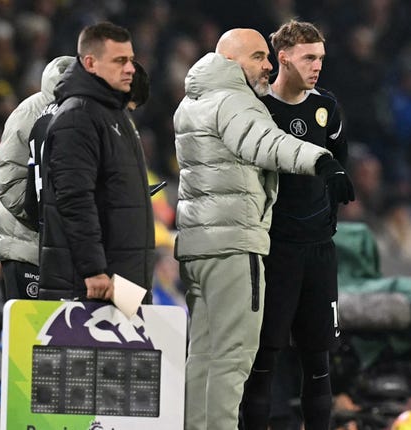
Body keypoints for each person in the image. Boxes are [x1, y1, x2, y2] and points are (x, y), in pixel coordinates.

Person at [174, 27, 354, 430]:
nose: (267, 64)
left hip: (209, 241)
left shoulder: (193, 102)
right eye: (259, 57)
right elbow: (268, 143)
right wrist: (321, 162)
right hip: (249, 245)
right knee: (240, 357)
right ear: (230, 61)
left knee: (206, 354)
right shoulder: (240, 103)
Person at [239, 20, 351, 430]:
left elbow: (338, 165)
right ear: (283, 58)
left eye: (320, 58)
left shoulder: (327, 107)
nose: (317, 66)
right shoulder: (258, 109)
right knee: (264, 360)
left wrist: (326, 221)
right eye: (308, 58)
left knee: (318, 362)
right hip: (276, 250)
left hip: (318, 250)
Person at [38, 22, 155, 302]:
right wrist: (93, 270)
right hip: (93, 284)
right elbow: (75, 199)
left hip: (120, 281)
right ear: (90, 63)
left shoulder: (113, 114)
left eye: (130, 60)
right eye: (119, 61)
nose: (130, 69)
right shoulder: (77, 116)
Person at [0, 55, 75, 300]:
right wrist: (42, 215)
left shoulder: (80, 114)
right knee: (28, 324)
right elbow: (9, 178)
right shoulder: (30, 111)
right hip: (25, 249)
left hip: (58, 250)